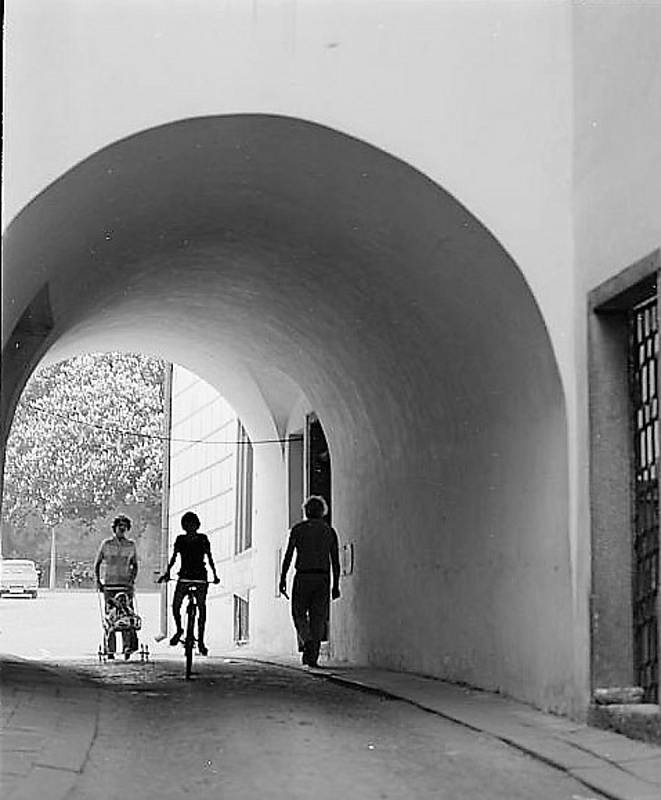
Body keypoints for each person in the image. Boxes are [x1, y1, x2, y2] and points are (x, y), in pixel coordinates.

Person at [279, 495, 341, 668]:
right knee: (318, 617)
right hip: (322, 578)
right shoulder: (329, 531)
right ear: (322, 512)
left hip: (303, 576)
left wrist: (282, 577)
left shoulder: (298, 530)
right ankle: (312, 656)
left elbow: (289, 555)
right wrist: (336, 584)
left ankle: (307, 640)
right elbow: (335, 561)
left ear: (306, 511)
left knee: (298, 613)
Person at [158, 511, 220, 656]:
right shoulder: (187, 539)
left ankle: (198, 639)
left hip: (193, 578)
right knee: (183, 606)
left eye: (191, 524)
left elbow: (209, 557)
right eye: (187, 524)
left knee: (194, 607)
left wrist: (215, 574)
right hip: (192, 577)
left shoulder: (195, 539)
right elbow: (173, 559)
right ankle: (183, 631)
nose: (190, 526)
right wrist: (167, 573)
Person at [94, 514, 139, 660]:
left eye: (124, 527)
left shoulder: (131, 545)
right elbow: (97, 563)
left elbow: (135, 565)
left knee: (125, 616)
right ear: (114, 528)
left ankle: (127, 647)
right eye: (119, 526)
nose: (122, 529)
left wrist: (131, 581)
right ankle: (110, 649)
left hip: (125, 586)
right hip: (110, 586)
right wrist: (98, 581)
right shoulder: (106, 544)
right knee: (111, 618)